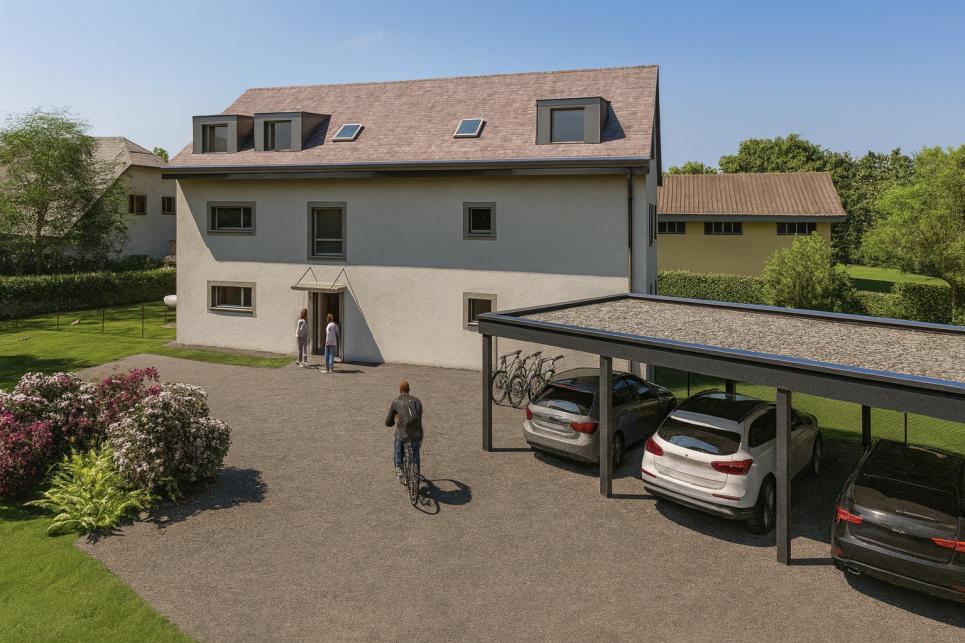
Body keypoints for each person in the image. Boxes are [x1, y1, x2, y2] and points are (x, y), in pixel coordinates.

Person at [384, 380, 423, 482]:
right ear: (409, 389)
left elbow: (388, 422)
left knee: (398, 439)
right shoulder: (417, 401)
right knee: (415, 452)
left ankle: (398, 467)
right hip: (417, 433)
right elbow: (419, 419)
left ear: (400, 390)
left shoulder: (396, 402)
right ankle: (417, 473)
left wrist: (391, 423)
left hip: (403, 433)